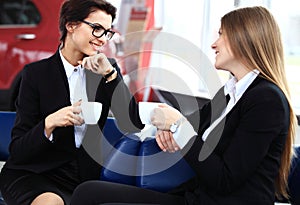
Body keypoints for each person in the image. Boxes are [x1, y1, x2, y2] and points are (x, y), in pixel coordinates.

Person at [70, 6, 298, 205]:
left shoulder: (266, 100)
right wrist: (110, 74)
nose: (213, 43)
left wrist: (178, 127)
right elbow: (146, 120)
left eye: (221, 35)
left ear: (244, 38)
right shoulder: (230, 94)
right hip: (197, 198)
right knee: (89, 192)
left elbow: (224, 178)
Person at [0, 0, 143, 204]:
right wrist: (49, 123)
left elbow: (132, 123)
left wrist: (110, 75)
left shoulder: (105, 71)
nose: (103, 39)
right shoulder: (36, 74)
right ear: (71, 25)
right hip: (33, 173)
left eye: (107, 32)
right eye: (97, 29)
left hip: (81, 179)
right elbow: (18, 150)